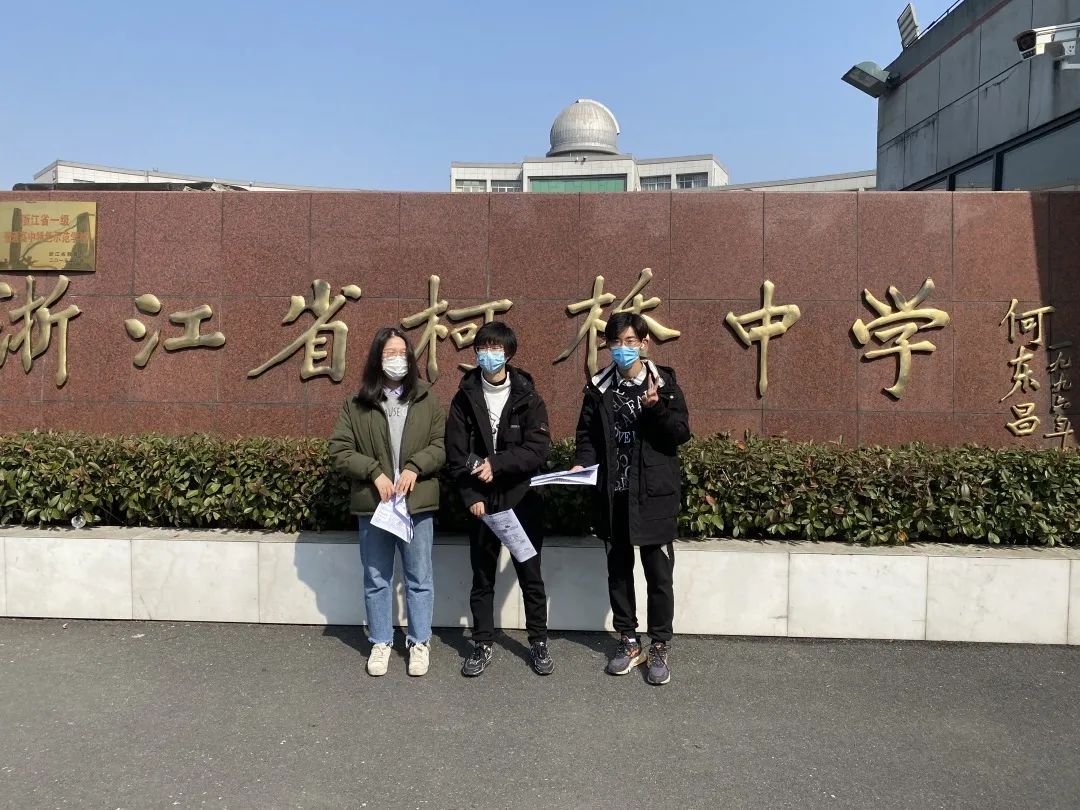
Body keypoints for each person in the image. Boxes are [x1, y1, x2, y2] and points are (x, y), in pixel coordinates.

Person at [570, 312, 690, 685]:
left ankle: (659, 645)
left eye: (630, 341)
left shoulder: (664, 384)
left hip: (653, 494)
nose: (622, 349)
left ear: (644, 343)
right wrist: (582, 463)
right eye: (616, 342)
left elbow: (680, 434)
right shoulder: (599, 387)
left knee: (658, 574)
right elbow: (587, 435)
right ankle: (628, 640)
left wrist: (656, 408)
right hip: (614, 494)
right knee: (619, 572)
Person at [328, 327, 446, 677]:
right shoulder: (358, 403)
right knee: (376, 577)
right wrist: (373, 472)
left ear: (411, 358)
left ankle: (419, 642)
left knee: (419, 577)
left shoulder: (426, 398)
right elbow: (339, 450)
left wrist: (415, 467)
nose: (396, 359)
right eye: (388, 353)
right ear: (376, 359)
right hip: (375, 504)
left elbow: (440, 446)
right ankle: (380, 641)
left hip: (416, 503)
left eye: (401, 353)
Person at [445, 321, 554, 677]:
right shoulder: (464, 397)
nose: (488, 354)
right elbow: (455, 452)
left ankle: (539, 641)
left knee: (530, 575)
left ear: (508, 353)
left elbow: (537, 449)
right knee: (482, 578)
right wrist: (470, 495)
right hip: (482, 505)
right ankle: (482, 642)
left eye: (496, 348)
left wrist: (498, 463)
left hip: (523, 500)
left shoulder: (528, 396)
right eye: (483, 348)